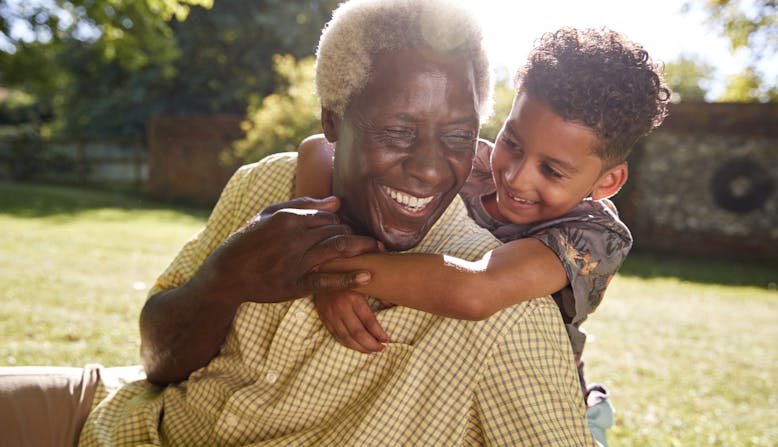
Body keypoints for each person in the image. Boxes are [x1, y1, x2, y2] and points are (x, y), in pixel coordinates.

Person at [2, 1, 597, 446]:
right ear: (334, 121)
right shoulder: (265, 184)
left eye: (459, 137)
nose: (428, 168)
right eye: (398, 132)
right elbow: (157, 364)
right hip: (121, 418)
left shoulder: (507, 321)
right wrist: (224, 279)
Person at [295, 27, 670, 446]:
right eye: (512, 142)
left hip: (536, 403)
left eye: (552, 171)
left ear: (608, 181)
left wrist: (331, 272)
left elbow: (476, 290)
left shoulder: (594, 236)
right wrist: (321, 245)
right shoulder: (469, 164)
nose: (517, 177)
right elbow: (318, 149)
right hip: (444, 378)